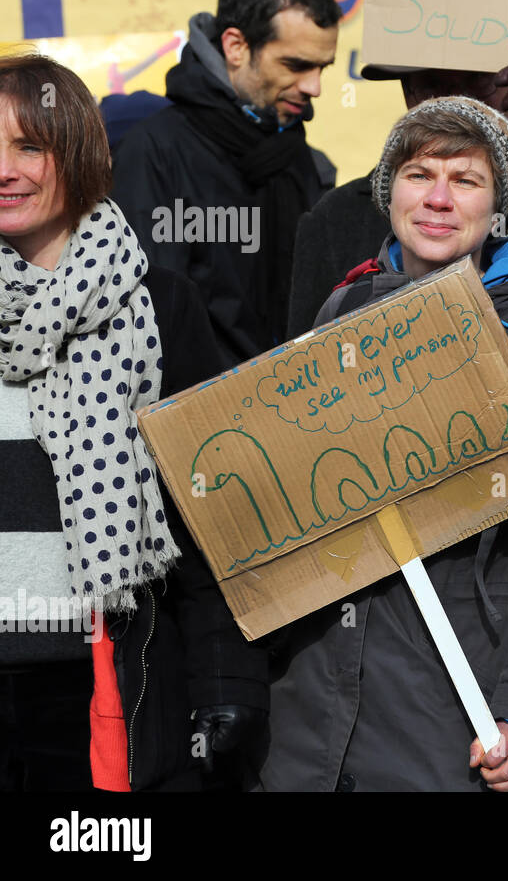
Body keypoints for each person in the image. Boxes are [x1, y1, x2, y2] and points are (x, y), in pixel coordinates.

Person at [255, 95, 508, 792]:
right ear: (388, 190)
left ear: (502, 208)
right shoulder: (340, 310)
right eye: (417, 174)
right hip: (314, 718)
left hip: (451, 713)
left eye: (465, 181)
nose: (437, 199)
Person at [0, 53, 267, 791]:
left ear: (78, 154)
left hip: (113, 680)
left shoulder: (161, 304)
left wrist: (227, 680)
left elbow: (210, 511)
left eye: (29, 146)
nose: (6, 170)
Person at [111, 0, 341, 369]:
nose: (315, 87)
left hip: (297, 405)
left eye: (322, 68)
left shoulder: (304, 161)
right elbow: (148, 321)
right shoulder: (153, 152)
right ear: (236, 47)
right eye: (296, 65)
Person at [284, 56, 508, 340]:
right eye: (433, 84)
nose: (454, 100)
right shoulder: (334, 222)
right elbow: (297, 374)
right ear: (407, 91)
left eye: (474, 82)